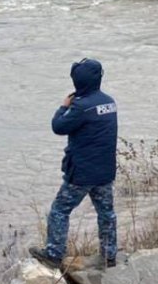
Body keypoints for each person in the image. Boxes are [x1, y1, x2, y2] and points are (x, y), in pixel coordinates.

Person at [30, 58, 119, 270]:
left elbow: (58, 127)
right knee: (106, 213)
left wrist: (63, 107)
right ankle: (109, 255)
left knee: (59, 210)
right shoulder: (110, 103)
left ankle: (53, 254)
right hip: (105, 171)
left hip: (81, 173)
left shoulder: (80, 106)